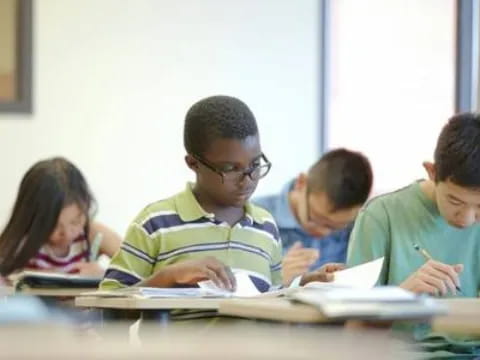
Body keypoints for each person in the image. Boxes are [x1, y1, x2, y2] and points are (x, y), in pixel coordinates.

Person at [100, 95, 343, 305]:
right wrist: (168, 277)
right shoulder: (155, 223)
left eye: (255, 164)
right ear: (193, 163)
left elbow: (271, 296)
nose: (247, 180)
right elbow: (107, 302)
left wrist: (307, 283)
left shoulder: (266, 226)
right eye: (230, 168)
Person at [347, 112, 480, 357]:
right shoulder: (380, 217)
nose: (468, 218)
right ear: (432, 171)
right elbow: (351, 330)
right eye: (455, 201)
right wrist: (403, 296)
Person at [254, 149, 372, 284]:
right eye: (316, 219)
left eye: (336, 227)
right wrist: (273, 278)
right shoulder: (251, 218)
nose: (323, 232)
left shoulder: (358, 226)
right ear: (301, 183)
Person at [0, 157, 122, 277]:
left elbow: (138, 269)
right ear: (33, 219)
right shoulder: (19, 243)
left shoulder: (93, 234)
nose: (68, 233)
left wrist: (105, 274)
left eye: (76, 221)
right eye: (54, 225)